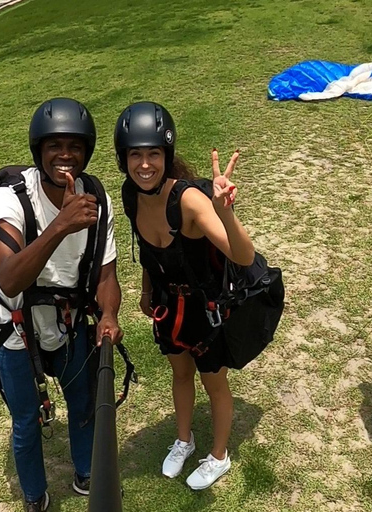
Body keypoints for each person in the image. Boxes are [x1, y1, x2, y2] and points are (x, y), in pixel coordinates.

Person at [0, 98, 122, 511]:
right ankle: (34, 495)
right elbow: (9, 278)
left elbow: (106, 274)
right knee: (26, 420)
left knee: (82, 406)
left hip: (67, 322)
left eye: (75, 146)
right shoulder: (10, 198)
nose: (66, 155)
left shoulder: (95, 197)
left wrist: (110, 313)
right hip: (15, 326)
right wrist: (60, 225)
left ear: (87, 150)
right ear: (38, 151)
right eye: (55, 146)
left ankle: (86, 471)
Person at [115, 102, 256, 489]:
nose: (145, 164)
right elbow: (148, 250)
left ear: (167, 155)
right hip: (167, 305)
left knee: (214, 383)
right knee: (180, 374)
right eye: (135, 155)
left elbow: (244, 256)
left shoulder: (190, 200)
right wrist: (146, 290)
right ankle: (184, 439)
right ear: (123, 158)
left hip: (203, 309)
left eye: (154, 154)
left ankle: (220, 455)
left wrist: (225, 209)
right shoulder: (132, 196)